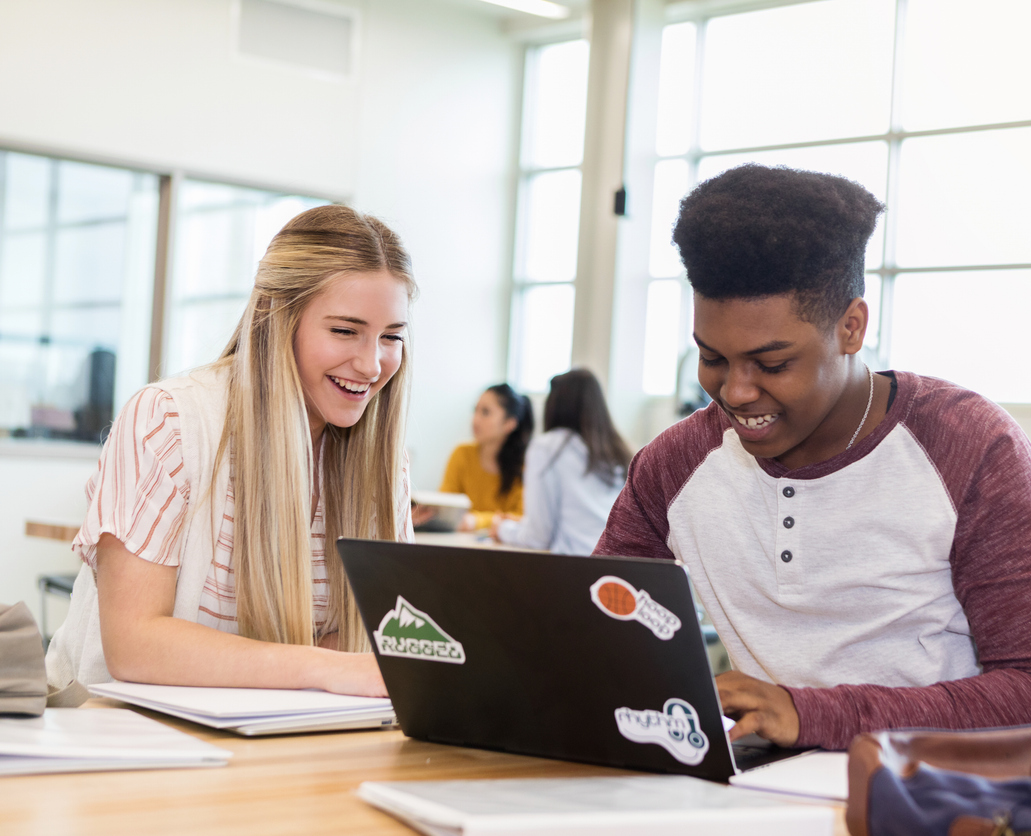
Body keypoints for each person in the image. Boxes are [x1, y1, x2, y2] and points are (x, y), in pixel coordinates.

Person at [594, 164, 1031, 751]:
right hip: (761, 791)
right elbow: (603, 639)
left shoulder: (969, 446)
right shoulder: (674, 465)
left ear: (851, 327)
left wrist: (813, 715)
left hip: (932, 794)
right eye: (712, 359)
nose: (737, 392)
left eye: (773, 364)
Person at [45, 205, 416, 697]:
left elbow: (375, 631)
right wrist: (324, 669)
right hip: (129, 743)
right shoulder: (168, 420)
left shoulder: (382, 457)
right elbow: (134, 643)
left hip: (289, 742)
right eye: (345, 331)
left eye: (391, 337)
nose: (372, 365)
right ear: (277, 318)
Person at [492, 369, 631, 555]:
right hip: (620, 571)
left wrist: (502, 529)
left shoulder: (547, 448)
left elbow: (538, 538)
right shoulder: (620, 452)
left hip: (577, 568)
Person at [420, 384, 533, 531]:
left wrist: (476, 520)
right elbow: (446, 505)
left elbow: (521, 518)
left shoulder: (526, 465)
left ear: (509, 423)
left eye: (485, 412)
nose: (475, 420)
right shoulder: (461, 454)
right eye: (476, 410)